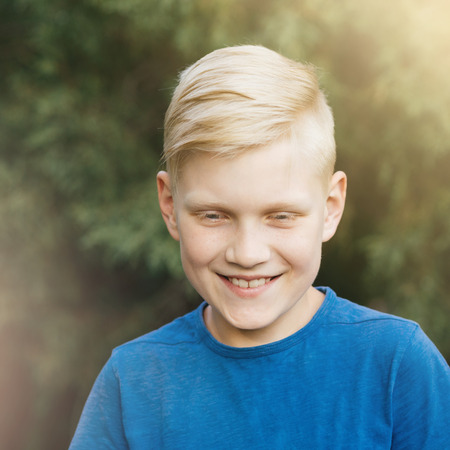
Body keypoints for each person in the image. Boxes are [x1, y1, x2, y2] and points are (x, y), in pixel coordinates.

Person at [70, 45, 450, 449]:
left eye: (281, 216)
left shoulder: (397, 367)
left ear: (330, 208)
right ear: (170, 206)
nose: (248, 254)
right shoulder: (131, 383)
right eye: (214, 216)